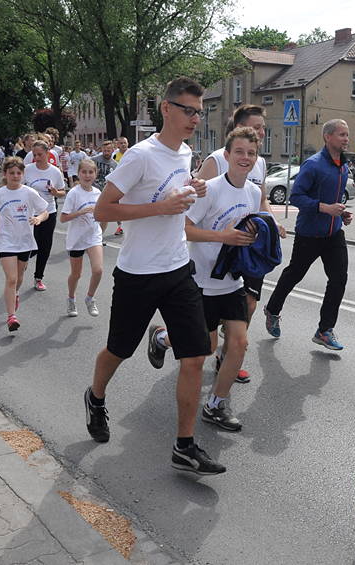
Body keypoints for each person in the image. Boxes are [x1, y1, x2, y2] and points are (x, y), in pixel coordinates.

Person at [84, 76, 224, 475]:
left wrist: (192, 187)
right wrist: (159, 208)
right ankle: (96, 397)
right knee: (118, 351)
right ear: (166, 109)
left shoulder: (185, 154)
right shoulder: (140, 156)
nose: (195, 118)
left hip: (178, 268)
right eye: (188, 110)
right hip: (138, 273)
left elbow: (175, 197)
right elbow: (103, 211)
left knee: (196, 355)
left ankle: (184, 445)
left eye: (199, 111)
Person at [149, 127, 262, 432]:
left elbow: (249, 228)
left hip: (232, 281)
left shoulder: (254, 192)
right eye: (239, 152)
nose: (245, 158)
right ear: (226, 156)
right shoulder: (209, 189)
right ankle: (162, 337)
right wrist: (222, 236)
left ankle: (216, 404)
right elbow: (183, 229)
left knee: (239, 343)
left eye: (251, 153)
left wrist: (259, 237)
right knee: (207, 346)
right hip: (201, 282)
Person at [197, 104, 287, 383]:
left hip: (244, 255)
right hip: (208, 265)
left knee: (247, 309)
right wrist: (221, 235)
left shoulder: (257, 164)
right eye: (256, 127)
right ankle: (168, 337)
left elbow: (259, 201)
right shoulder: (215, 161)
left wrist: (271, 224)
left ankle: (228, 359)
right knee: (204, 343)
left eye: (262, 129)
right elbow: (197, 203)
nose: (261, 132)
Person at [263, 118, 352, 350]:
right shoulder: (313, 165)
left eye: (347, 135)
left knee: (339, 279)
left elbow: (335, 199)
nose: (346, 139)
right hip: (310, 233)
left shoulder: (343, 165)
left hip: (333, 233)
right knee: (295, 274)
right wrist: (325, 208)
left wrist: (342, 214)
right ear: (328, 137)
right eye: (341, 135)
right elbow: (296, 197)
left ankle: (324, 330)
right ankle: (272, 309)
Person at [0, 157, 49, 332]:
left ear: (22, 175)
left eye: (18, 173)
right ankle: (11, 316)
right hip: (6, 240)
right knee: (12, 278)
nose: (15, 176)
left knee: (20, 277)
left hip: (25, 240)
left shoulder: (29, 193)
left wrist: (38, 218)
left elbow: (44, 211)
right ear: (5, 174)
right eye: (11, 173)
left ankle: (14, 294)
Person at [60, 159, 104, 317]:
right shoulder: (74, 193)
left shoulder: (98, 193)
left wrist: (101, 225)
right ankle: (71, 299)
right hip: (76, 238)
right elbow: (63, 218)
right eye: (84, 172)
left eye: (90, 172)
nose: (87, 175)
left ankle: (90, 298)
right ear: (78, 174)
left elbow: (101, 215)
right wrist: (81, 212)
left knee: (98, 270)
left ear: (95, 174)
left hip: (93, 236)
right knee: (76, 274)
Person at [24, 140, 66, 291]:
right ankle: (23, 260)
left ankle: (38, 277)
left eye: (40, 154)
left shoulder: (55, 171)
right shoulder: (27, 169)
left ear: (48, 153)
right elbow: (18, 186)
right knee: (31, 243)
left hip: (49, 212)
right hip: (30, 212)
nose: (37, 157)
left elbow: (62, 192)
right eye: (34, 155)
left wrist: (56, 192)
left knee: (45, 246)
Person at [90, 140, 120, 235]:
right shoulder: (94, 160)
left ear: (113, 150)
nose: (106, 153)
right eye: (104, 150)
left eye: (108, 150)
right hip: (93, 191)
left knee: (105, 216)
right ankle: (90, 236)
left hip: (105, 193)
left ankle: (99, 237)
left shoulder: (115, 165)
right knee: (91, 216)